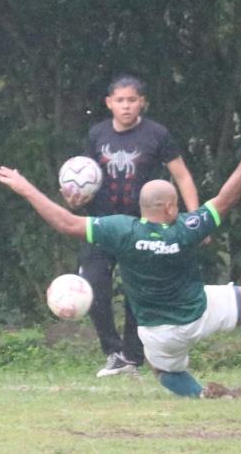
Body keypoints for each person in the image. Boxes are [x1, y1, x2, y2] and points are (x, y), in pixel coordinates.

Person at [0, 127, 241, 398]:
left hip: (156, 332)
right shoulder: (186, 228)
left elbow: (65, 222)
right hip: (202, 310)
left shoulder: (120, 230)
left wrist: (25, 186)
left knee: (165, 371)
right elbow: (228, 196)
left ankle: (201, 395)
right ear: (172, 207)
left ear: (143, 208)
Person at [63, 75, 202, 377]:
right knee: (93, 288)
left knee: (136, 294)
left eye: (132, 100)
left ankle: (132, 357)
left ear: (142, 102)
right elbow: (83, 177)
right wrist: (74, 200)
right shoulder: (97, 134)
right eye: (120, 100)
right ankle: (112, 351)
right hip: (102, 226)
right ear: (109, 103)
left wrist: (194, 218)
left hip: (141, 227)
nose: (126, 106)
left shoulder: (157, 134)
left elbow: (182, 176)